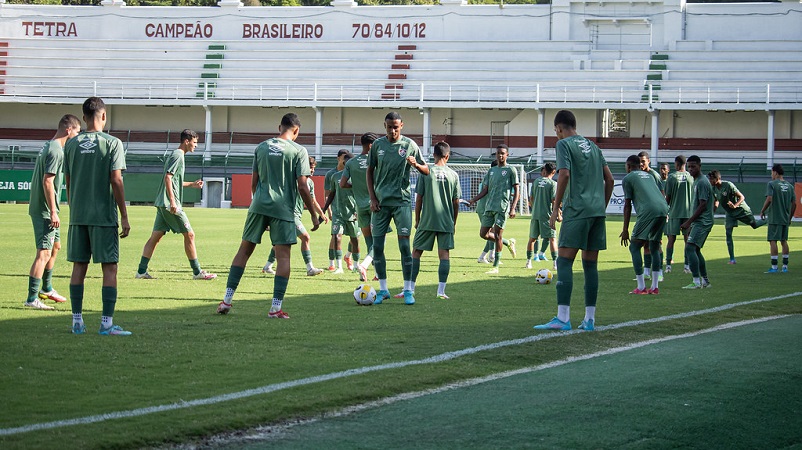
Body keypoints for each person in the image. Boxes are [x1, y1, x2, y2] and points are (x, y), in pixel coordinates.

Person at [217, 113, 320, 318]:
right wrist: (313, 215)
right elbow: (303, 186)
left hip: (258, 205)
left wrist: (260, 205)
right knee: (283, 257)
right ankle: (275, 308)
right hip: (283, 209)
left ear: (279, 127)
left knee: (244, 251)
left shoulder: (261, 147)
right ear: (296, 130)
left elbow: (254, 182)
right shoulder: (299, 151)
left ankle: (226, 301)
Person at [534, 110, 614, 332]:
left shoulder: (563, 144)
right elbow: (610, 179)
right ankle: (589, 320)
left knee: (565, 261)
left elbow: (565, 174)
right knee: (590, 265)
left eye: (556, 131)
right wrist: (601, 206)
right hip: (596, 212)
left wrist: (555, 208)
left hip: (577, 210)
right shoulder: (594, 147)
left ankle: (563, 318)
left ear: (559, 128)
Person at [63, 97, 131, 335]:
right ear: (104, 116)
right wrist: (124, 215)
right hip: (103, 215)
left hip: (78, 216)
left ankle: (77, 322)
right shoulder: (113, 143)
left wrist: (74, 207)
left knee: (79, 266)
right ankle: (106, 323)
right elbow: (116, 180)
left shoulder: (71, 144)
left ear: (83, 118)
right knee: (109, 267)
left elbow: (68, 181)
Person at [135, 129, 216, 281]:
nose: (196, 145)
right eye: (195, 142)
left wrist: (192, 184)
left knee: (155, 237)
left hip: (162, 204)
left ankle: (141, 271)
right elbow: (168, 178)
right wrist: (172, 201)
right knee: (190, 235)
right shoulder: (178, 155)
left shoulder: (177, 155)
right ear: (186, 141)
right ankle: (197, 272)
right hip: (169, 205)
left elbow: (174, 181)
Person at [366, 111, 429, 305]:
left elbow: (426, 170)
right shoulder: (378, 146)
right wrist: (372, 197)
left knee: (404, 246)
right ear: (384, 126)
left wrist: (416, 164)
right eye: (389, 127)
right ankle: (383, 289)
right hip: (381, 204)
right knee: (377, 247)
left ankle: (408, 290)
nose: (392, 131)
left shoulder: (409, 145)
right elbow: (369, 171)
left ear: (402, 126)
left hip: (401, 202)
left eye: (396, 127)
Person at [25, 114, 81, 310]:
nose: (77, 136)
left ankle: (47, 288)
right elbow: (48, 181)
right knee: (44, 252)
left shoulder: (50, 146)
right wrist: (53, 212)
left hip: (47, 208)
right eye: (77, 132)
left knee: (55, 246)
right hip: (44, 210)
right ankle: (32, 298)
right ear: (68, 130)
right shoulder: (56, 151)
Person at [410, 141, 461, 299]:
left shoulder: (426, 172)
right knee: (444, 254)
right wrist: (453, 222)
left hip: (428, 219)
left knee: (416, 252)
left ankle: (410, 289)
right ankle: (441, 291)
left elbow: (419, 198)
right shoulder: (453, 175)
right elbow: (456, 202)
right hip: (446, 220)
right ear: (447, 156)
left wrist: (417, 219)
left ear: (434, 155)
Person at [262, 156, 328, 277]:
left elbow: (312, 200)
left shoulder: (310, 183)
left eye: (314, 168)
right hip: (289, 215)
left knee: (281, 241)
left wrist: (322, 214)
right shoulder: (293, 180)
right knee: (305, 238)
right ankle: (310, 268)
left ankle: (267, 266)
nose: (312, 171)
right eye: (310, 168)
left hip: (296, 215)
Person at [620, 155, 669, 294]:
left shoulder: (628, 178)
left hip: (648, 211)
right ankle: (654, 287)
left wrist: (625, 229)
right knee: (654, 246)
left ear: (628, 166)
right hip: (663, 209)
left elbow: (627, 205)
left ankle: (641, 286)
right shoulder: (650, 176)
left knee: (634, 247)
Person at [468, 145, 519, 274]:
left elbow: (517, 190)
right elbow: (485, 190)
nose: (500, 155)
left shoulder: (511, 170)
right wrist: (473, 200)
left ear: (507, 155)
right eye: (498, 153)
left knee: (497, 235)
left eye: (502, 153)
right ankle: (508, 243)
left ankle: (495, 266)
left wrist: (513, 208)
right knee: (483, 234)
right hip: (489, 206)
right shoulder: (491, 171)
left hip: (502, 207)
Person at [707, 170, 765, 264]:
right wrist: (712, 212)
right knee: (728, 233)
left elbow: (742, 197)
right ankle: (732, 259)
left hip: (741, 210)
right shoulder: (713, 188)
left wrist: (735, 205)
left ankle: (768, 220)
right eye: (709, 179)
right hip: (730, 213)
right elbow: (716, 200)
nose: (710, 181)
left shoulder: (728, 185)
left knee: (754, 225)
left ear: (717, 179)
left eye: (711, 179)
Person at [342, 133, 378, 282]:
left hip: (360, 207)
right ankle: (364, 265)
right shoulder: (376, 161)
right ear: (371, 145)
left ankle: (377, 274)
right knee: (379, 241)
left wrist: (356, 186)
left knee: (370, 241)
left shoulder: (351, 162)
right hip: (375, 205)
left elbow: (342, 184)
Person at [322, 151, 361, 275]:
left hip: (353, 213)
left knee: (355, 240)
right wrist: (325, 209)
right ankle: (338, 267)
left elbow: (361, 194)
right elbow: (331, 194)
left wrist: (359, 210)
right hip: (338, 212)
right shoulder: (335, 176)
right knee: (336, 236)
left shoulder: (357, 177)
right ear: (344, 163)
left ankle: (356, 265)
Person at [680, 155, 714, 289]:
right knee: (696, 250)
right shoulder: (696, 181)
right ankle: (705, 281)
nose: (691, 169)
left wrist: (689, 222)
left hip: (703, 221)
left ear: (700, 166)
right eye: (689, 167)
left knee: (689, 248)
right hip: (699, 221)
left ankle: (696, 281)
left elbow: (703, 204)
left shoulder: (702, 182)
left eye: (693, 166)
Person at [759, 164, 796, 273]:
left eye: (771, 172)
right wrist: (789, 217)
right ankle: (785, 266)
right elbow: (794, 204)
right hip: (785, 218)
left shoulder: (772, 184)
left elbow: (769, 198)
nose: (771, 175)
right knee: (784, 241)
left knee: (773, 240)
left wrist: (763, 210)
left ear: (775, 172)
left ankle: (774, 267)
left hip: (775, 217)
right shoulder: (790, 186)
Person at [663, 155, 694, 274]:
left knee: (671, 239)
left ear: (676, 163)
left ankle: (668, 266)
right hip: (688, 213)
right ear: (685, 164)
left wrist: (665, 210)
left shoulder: (672, 177)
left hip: (674, 212)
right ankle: (687, 266)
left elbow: (668, 197)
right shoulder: (691, 177)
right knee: (687, 240)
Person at [526, 162, 559, 270]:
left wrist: (535, 208)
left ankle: (528, 262)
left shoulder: (536, 181)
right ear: (553, 171)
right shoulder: (552, 184)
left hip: (535, 214)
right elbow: (554, 200)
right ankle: (555, 263)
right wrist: (558, 214)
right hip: (547, 215)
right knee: (552, 238)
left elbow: (531, 198)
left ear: (545, 170)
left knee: (532, 239)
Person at [637, 151, 664, 279]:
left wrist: (664, 213)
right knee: (646, 243)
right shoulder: (639, 175)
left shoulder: (654, 175)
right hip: (645, 214)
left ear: (649, 161)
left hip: (657, 214)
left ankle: (660, 272)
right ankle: (647, 272)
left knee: (656, 243)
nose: (641, 164)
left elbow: (662, 193)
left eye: (643, 161)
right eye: (639, 162)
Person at [324, 149, 350, 271]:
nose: (345, 160)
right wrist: (329, 210)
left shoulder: (350, 172)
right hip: (337, 209)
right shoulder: (331, 174)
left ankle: (348, 256)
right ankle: (332, 263)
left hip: (351, 210)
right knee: (335, 236)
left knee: (355, 237)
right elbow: (327, 194)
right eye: (343, 157)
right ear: (338, 158)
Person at [475, 160, 497, 264]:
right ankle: (484, 256)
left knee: (492, 232)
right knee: (491, 232)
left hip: (485, 207)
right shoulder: (492, 177)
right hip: (486, 208)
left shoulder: (488, 177)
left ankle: (491, 256)